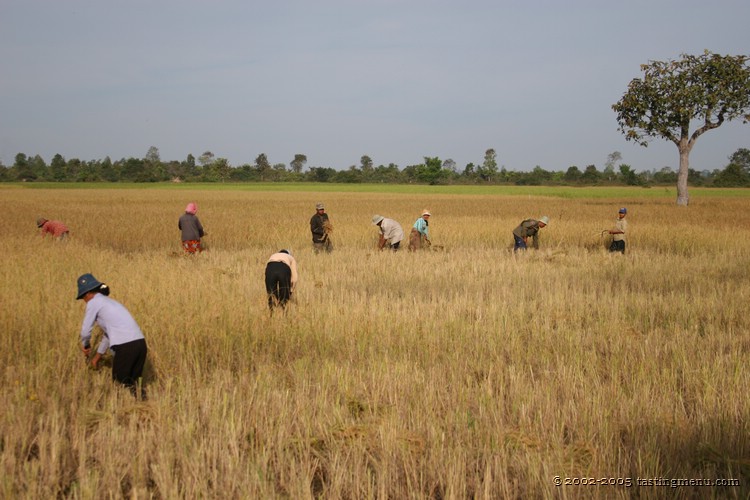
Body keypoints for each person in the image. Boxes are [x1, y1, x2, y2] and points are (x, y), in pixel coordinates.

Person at [76, 273, 148, 398]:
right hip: (140, 344)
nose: (84, 300)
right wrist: (97, 358)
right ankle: (143, 409)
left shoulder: (93, 302)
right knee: (134, 385)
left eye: (83, 297)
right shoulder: (109, 302)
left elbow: (85, 331)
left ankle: (124, 413)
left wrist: (86, 344)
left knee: (119, 384)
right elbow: (108, 335)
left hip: (126, 346)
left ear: (87, 294)